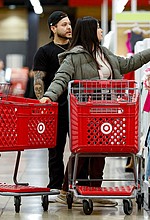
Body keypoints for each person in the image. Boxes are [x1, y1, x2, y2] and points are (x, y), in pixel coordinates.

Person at [40, 16, 150, 206]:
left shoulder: (104, 53)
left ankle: (95, 191)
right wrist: (49, 95)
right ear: (90, 31)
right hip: (85, 113)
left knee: (101, 151)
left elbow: (128, 64)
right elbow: (61, 78)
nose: (101, 31)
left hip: (107, 111)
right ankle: (65, 190)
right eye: (98, 28)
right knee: (83, 151)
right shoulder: (74, 57)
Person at [32, 11, 72, 191]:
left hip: (77, 108)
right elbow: (38, 81)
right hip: (55, 108)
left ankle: (75, 184)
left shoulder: (76, 50)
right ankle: (55, 186)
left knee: (81, 150)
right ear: (53, 28)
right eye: (64, 24)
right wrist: (43, 104)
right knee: (55, 151)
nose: (69, 27)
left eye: (70, 24)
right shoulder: (44, 51)